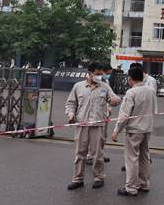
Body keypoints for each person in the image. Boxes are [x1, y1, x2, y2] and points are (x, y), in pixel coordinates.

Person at [65, 62, 120, 190]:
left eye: (101, 74)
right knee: (80, 153)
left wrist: (115, 100)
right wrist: (71, 114)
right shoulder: (78, 87)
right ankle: (78, 179)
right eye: (97, 74)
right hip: (82, 124)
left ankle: (99, 177)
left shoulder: (105, 87)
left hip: (98, 124)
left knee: (97, 153)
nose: (100, 76)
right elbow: (71, 103)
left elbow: (115, 99)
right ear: (89, 73)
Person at [111, 67, 157, 196]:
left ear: (130, 79)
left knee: (131, 159)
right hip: (147, 128)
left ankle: (131, 187)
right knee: (144, 157)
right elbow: (154, 109)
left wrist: (116, 130)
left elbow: (124, 115)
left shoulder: (131, 93)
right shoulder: (151, 91)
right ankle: (144, 183)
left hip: (134, 130)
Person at [85, 63, 114, 165]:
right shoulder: (86, 82)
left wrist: (109, 108)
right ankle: (89, 155)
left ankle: (99, 154)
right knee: (91, 136)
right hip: (92, 114)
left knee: (102, 136)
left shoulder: (106, 82)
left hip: (104, 113)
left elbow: (109, 96)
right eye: (107, 73)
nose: (107, 75)